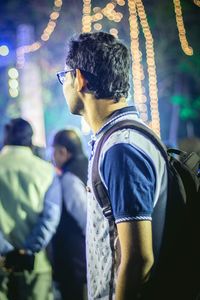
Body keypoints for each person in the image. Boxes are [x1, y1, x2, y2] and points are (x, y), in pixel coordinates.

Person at [56, 32, 168, 300]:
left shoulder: (121, 147)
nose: (64, 85)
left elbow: (139, 258)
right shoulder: (120, 139)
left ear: (79, 78)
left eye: (65, 76)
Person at [0, 118, 61, 300]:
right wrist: (28, 249)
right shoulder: (47, 171)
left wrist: (7, 250)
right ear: (30, 140)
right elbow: (51, 217)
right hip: (36, 265)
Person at [52, 129, 88, 300]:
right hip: (83, 257)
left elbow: (85, 219)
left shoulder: (69, 178)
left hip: (75, 259)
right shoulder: (88, 166)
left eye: (54, 151)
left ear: (63, 152)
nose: (52, 156)